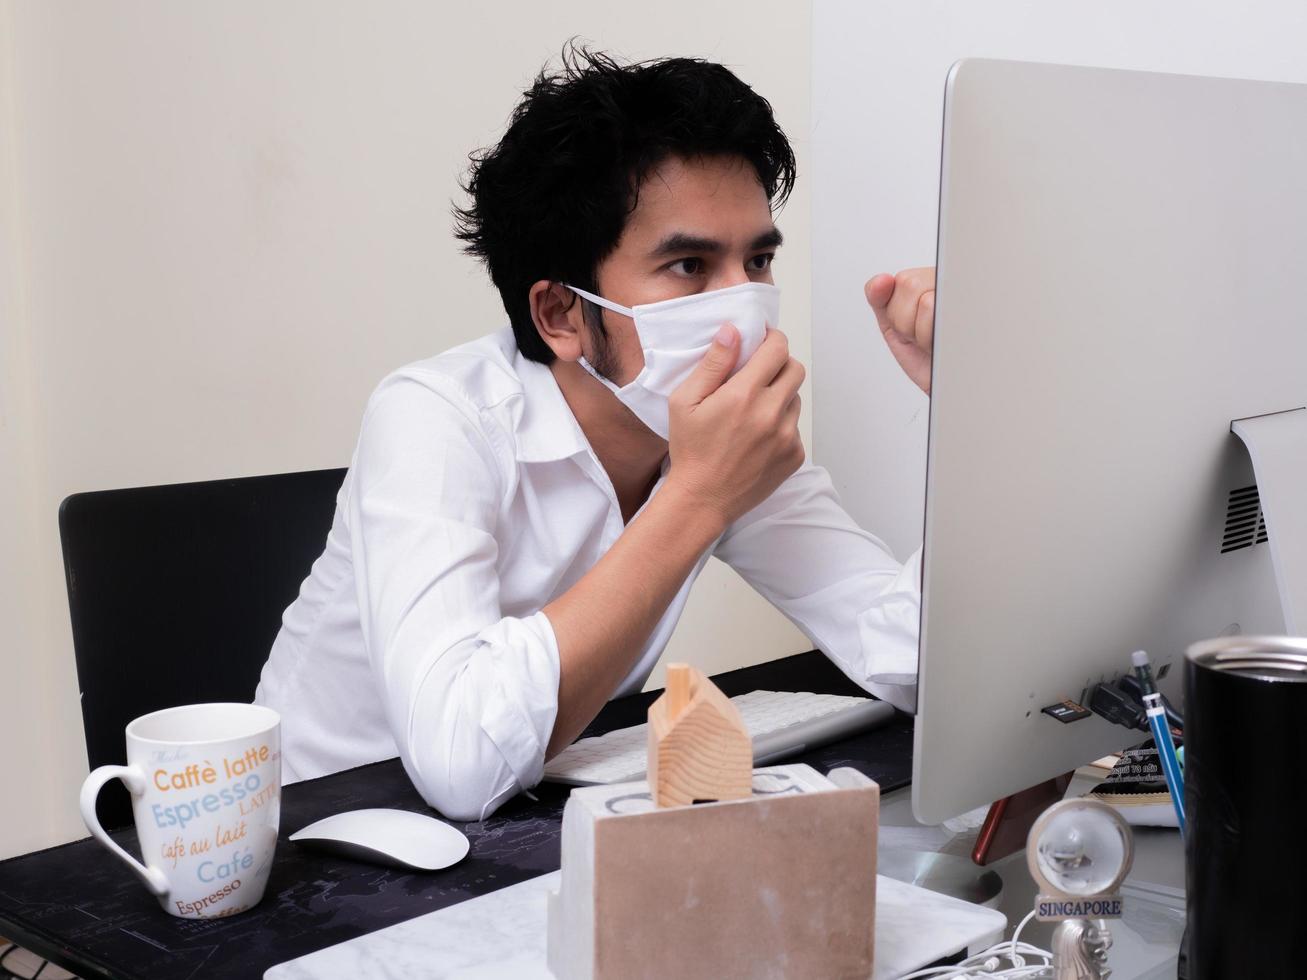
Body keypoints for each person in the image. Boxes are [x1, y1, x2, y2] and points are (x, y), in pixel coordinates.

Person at [254, 46, 936, 822]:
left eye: (757, 260)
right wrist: (699, 497)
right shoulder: (434, 415)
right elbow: (458, 761)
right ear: (560, 315)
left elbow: (910, 661)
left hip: (525, 825)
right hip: (320, 845)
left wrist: (973, 420)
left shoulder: (715, 440)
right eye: (687, 266)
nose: (743, 306)